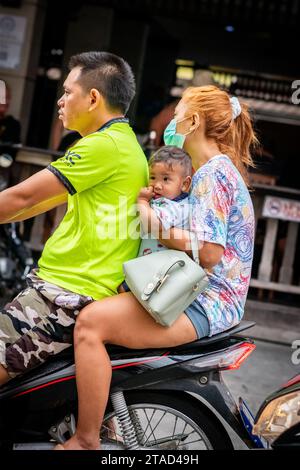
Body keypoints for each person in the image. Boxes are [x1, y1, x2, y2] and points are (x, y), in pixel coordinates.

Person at [57, 84, 257, 450]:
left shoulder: (212, 174)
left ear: (193, 121)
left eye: (178, 112)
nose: (172, 120)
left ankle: (86, 439)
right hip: (205, 299)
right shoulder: (215, 171)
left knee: (89, 325)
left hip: (203, 304)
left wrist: (155, 227)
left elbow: (210, 253)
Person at [0, 51, 148, 383]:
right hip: (68, 288)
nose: (60, 101)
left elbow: (23, 196)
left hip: (65, 294)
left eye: (68, 92)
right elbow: (37, 203)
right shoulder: (122, 143)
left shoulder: (102, 146)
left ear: (93, 98)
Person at [119, 145, 192, 293]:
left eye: (166, 179)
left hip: (157, 272)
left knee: (123, 291)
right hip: (153, 269)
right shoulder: (169, 201)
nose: (157, 185)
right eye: (152, 177)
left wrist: (142, 201)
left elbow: (152, 224)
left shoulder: (173, 206)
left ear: (185, 184)